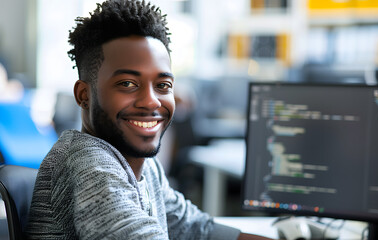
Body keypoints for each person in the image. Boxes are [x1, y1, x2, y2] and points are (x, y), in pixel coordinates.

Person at [26, 1, 274, 239]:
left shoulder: (140, 164)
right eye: (127, 84)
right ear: (84, 95)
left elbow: (195, 229)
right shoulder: (91, 165)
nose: (151, 101)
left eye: (163, 85)